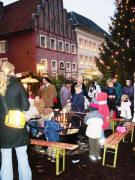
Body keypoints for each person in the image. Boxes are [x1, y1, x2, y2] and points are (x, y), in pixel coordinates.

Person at [0, 62, 32, 180]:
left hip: (3, 129)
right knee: (22, 157)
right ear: (12, 71)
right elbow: (26, 106)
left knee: (6, 159)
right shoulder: (17, 85)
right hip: (17, 127)